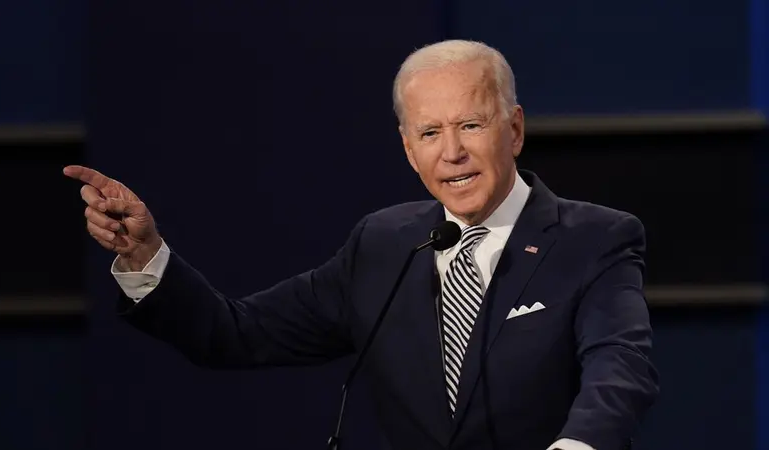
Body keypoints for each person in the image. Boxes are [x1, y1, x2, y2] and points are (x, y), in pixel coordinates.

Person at [65, 40, 659, 450]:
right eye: (430, 133)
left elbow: (620, 366)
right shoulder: (383, 244)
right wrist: (147, 257)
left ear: (515, 129)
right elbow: (235, 333)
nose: (451, 152)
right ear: (408, 148)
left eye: (471, 125)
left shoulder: (593, 239)